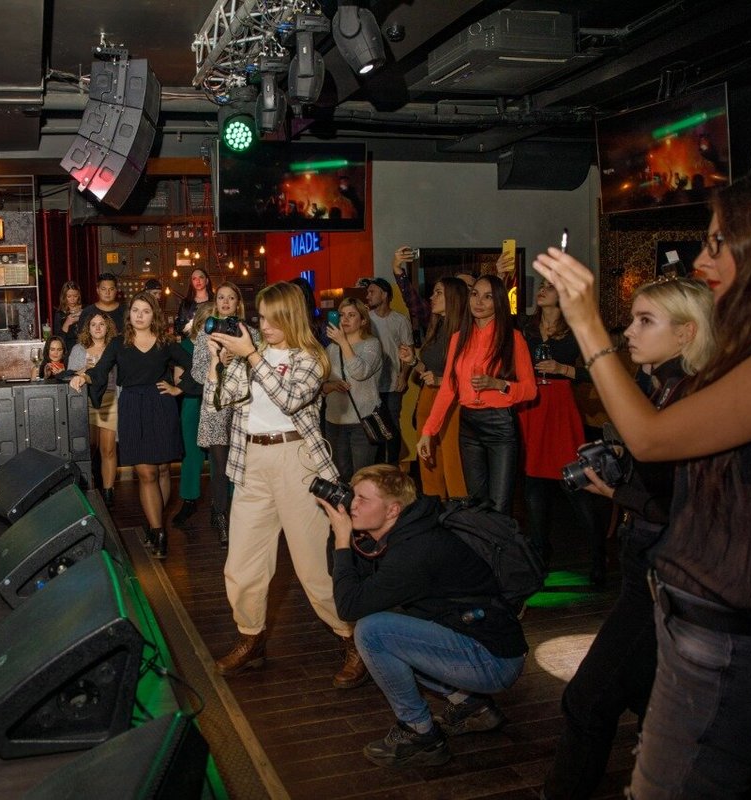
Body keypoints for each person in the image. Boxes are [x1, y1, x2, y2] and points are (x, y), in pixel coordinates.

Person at [533, 162, 751, 798]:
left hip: (737, 641)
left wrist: (587, 324)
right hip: (690, 613)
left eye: (717, 241)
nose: (702, 258)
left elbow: (652, 439)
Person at [542, 276, 714, 799]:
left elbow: (688, 504)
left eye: (645, 321)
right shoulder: (658, 385)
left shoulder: (692, 394)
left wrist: (621, 494)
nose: (630, 332)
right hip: (645, 563)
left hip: (666, 569)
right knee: (648, 696)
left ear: (686, 333)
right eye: (631, 319)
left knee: (587, 699)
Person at [205, 282, 366, 690]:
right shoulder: (251, 352)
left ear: (291, 317)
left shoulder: (310, 357)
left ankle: (352, 638)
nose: (264, 326)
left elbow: (290, 400)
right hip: (251, 461)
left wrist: (251, 356)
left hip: (297, 461)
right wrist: (219, 363)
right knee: (242, 564)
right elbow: (221, 402)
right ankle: (251, 637)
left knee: (313, 568)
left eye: (272, 319)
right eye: (261, 318)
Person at [319, 465, 527, 768]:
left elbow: (349, 606)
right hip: (479, 639)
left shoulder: (415, 550)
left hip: (493, 660)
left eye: (363, 499)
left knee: (372, 631)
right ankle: (471, 706)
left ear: (393, 509)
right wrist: (340, 535)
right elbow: (351, 580)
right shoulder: (406, 529)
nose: (353, 504)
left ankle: (420, 734)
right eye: (354, 495)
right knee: (385, 620)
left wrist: (341, 539)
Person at [70, 292, 195, 558]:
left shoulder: (165, 342)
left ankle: (154, 522)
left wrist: (179, 388)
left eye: (145, 311)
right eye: (136, 310)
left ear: (154, 315)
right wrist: (84, 378)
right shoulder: (119, 343)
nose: (140, 315)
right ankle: (159, 531)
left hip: (161, 406)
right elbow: (100, 370)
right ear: (129, 315)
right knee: (146, 473)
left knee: (162, 470)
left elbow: (194, 364)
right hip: (131, 407)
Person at [417, 274, 536, 513]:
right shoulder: (458, 338)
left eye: (488, 296)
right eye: (475, 294)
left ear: (498, 302)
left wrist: (499, 384)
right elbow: (448, 388)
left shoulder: (512, 338)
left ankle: (502, 538)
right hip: (469, 423)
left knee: (499, 506)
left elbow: (530, 390)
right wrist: (428, 432)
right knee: (477, 504)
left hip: (500, 424)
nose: (479, 301)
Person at [518, 279, 602, 583]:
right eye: (540, 285)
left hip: (560, 407)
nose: (541, 290)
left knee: (575, 483)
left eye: (550, 287)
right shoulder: (526, 328)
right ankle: (540, 555)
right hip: (531, 406)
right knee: (533, 486)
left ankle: (599, 555)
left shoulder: (576, 330)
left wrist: (563, 369)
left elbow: (599, 369)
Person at [190, 281, 250, 548]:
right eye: (221, 297)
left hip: (242, 406)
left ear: (238, 303)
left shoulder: (249, 333)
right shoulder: (207, 333)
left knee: (244, 465)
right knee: (220, 465)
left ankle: (240, 516)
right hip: (216, 406)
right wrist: (217, 363)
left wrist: (240, 358)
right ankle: (222, 517)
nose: (225, 302)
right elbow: (196, 373)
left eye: (231, 298)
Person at [399, 277, 468, 501]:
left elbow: (469, 374)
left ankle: (458, 509)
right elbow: (428, 371)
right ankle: (435, 506)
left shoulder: (465, 332)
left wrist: (440, 380)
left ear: (453, 298)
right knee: (428, 457)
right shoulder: (437, 327)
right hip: (428, 396)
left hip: (452, 400)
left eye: (438, 293)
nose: (432, 297)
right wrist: (413, 362)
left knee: (452, 458)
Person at [322, 298, 383, 479]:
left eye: (351, 315)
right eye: (341, 315)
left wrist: (343, 343)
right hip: (335, 421)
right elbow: (320, 385)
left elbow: (360, 372)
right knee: (340, 476)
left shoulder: (371, 344)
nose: (345, 319)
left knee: (362, 477)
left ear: (363, 320)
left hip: (362, 422)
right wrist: (330, 386)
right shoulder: (330, 349)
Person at [68, 311, 119, 506]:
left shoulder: (115, 347)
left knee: (109, 450)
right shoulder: (79, 349)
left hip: (110, 400)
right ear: (88, 328)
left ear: (108, 327)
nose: (97, 328)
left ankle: (108, 493)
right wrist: (86, 371)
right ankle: (88, 490)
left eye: (101, 324)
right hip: (86, 400)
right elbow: (70, 375)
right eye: (93, 324)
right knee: (89, 448)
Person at [362, 277, 414, 466]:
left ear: (384, 295)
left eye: (372, 292)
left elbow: (408, 349)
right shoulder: (366, 319)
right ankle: (377, 467)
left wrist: (403, 376)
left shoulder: (400, 320)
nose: (368, 296)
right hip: (371, 384)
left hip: (392, 383)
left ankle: (392, 466)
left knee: (392, 425)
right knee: (373, 424)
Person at [171, 304, 211, 530]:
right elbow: (178, 379)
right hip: (192, 402)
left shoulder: (225, 343)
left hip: (218, 403)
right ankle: (189, 500)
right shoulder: (185, 345)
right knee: (191, 453)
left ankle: (224, 501)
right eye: (207, 321)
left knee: (220, 455)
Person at [173, 267, 212, 337]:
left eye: (201, 277)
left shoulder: (215, 300)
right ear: (192, 283)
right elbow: (179, 326)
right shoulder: (186, 303)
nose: (198, 281)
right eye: (194, 278)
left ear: (207, 281)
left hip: (212, 340)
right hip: (191, 340)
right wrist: (186, 328)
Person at [51, 280, 83, 352]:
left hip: (84, 348)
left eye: (75, 296)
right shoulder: (60, 313)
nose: (72, 299)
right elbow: (58, 340)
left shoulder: (85, 310)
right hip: (68, 349)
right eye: (69, 296)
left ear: (79, 295)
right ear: (64, 297)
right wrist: (66, 324)